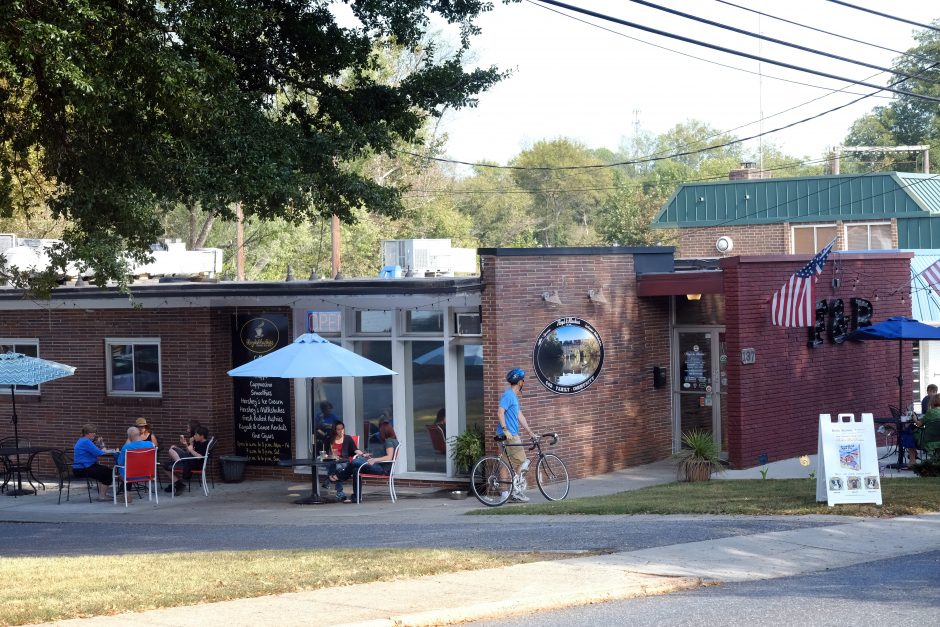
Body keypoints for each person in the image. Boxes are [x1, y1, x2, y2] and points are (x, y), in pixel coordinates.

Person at [497, 368, 536, 502]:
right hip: (510, 435)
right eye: (523, 380)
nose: (523, 382)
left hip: (506, 434)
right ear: (519, 382)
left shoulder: (513, 396)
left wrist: (530, 432)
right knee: (523, 461)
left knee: (504, 464)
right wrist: (505, 430)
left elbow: (519, 415)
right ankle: (515, 492)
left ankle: (504, 494)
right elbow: (500, 412)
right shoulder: (509, 395)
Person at [340, 421, 399, 503]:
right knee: (355, 469)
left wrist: (374, 460)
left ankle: (341, 476)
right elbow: (384, 455)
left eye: (380, 431)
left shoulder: (388, 441)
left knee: (356, 461)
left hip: (382, 470)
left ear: (384, 431)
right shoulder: (393, 440)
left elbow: (389, 457)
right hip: (380, 467)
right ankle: (356, 497)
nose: (379, 433)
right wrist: (370, 455)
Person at [324, 421, 365, 503]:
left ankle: (330, 480)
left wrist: (362, 453)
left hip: (344, 461)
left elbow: (355, 449)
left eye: (342, 429)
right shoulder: (330, 439)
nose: (341, 431)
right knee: (335, 465)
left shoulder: (348, 438)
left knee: (338, 467)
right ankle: (338, 491)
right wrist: (327, 455)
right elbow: (325, 452)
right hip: (332, 462)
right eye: (338, 429)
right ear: (334, 430)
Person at [72, 423, 114, 501]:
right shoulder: (86, 442)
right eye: (93, 432)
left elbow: (94, 450)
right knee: (109, 472)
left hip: (81, 467)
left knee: (105, 471)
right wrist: (102, 445)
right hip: (83, 468)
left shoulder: (82, 440)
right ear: (88, 433)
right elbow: (100, 453)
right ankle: (102, 496)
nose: (95, 434)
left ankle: (102, 495)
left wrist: (97, 445)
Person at [163, 426, 210, 493]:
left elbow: (200, 457)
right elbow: (190, 452)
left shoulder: (205, 445)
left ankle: (178, 484)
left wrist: (191, 450)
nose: (194, 436)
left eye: (196, 434)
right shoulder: (199, 442)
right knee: (173, 449)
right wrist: (185, 444)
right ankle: (178, 484)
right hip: (189, 460)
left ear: (202, 436)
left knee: (166, 465)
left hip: (193, 464)